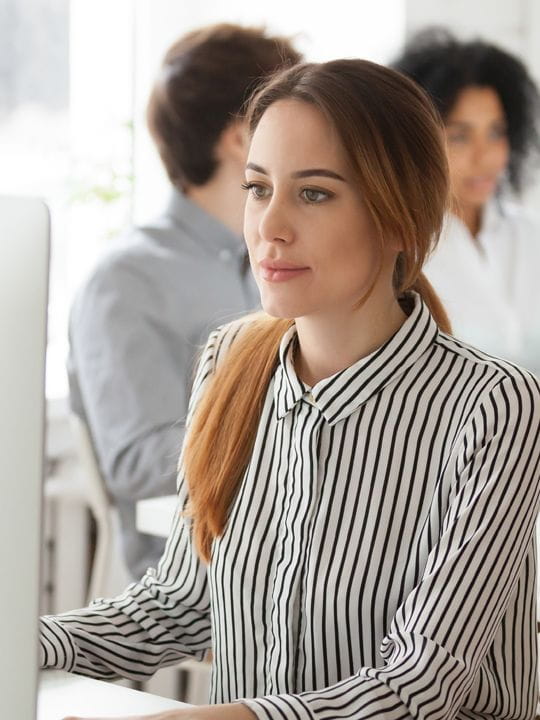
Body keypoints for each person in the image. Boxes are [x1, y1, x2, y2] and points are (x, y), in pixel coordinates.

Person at [41, 59, 540, 720]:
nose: (268, 227)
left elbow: (420, 685)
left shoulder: (493, 406)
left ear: (399, 219)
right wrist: (26, 641)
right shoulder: (230, 363)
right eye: (257, 187)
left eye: (314, 193)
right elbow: (181, 606)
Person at [67, 24, 301, 579]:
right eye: (293, 115)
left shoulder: (281, 258)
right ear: (240, 140)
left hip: (297, 537)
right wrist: (292, 430)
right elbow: (133, 462)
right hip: (203, 568)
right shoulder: (126, 278)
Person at [393, 28, 540, 374]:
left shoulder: (531, 235)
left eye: (496, 133)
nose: (484, 156)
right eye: (459, 136)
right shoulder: (399, 249)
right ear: (419, 141)